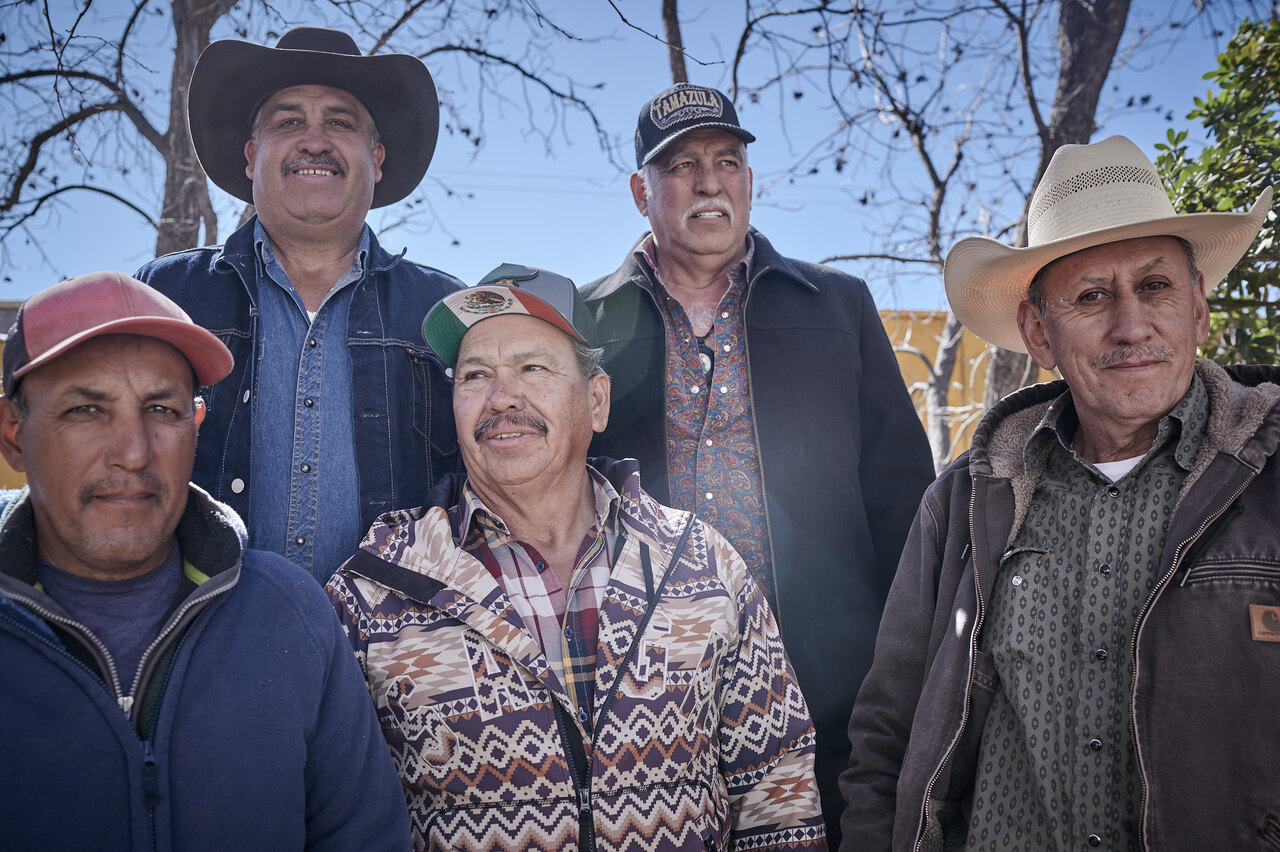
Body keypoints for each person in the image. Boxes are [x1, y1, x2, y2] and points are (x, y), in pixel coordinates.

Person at [840, 135, 1277, 851]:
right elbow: (887, 735)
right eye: (1092, 296)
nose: (1132, 324)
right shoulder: (963, 503)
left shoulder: (1268, 475)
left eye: (1157, 286)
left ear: (1199, 307)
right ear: (1039, 333)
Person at [326, 263, 828, 850]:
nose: (501, 397)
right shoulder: (374, 592)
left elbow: (778, 790)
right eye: (475, 375)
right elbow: (338, 822)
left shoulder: (703, 563)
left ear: (596, 400)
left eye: (533, 368)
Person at [580, 82, 937, 840]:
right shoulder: (586, 325)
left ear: (748, 180)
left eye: (727, 160)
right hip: (648, 697)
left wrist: (908, 667)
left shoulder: (838, 306)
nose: (709, 180)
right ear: (643, 191)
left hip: (831, 693)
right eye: (681, 165)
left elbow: (903, 499)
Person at [0, 271, 410, 849]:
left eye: (161, 410)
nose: (133, 452)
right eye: (87, 410)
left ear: (195, 427)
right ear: (14, 434)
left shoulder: (290, 615)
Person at [136, 27, 462, 582]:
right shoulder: (168, 297)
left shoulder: (444, 312)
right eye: (288, 122)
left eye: (340, 122)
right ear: (251, 155)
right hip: (200, 641)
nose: (315, 140)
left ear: (376, 159)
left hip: (395, 656)